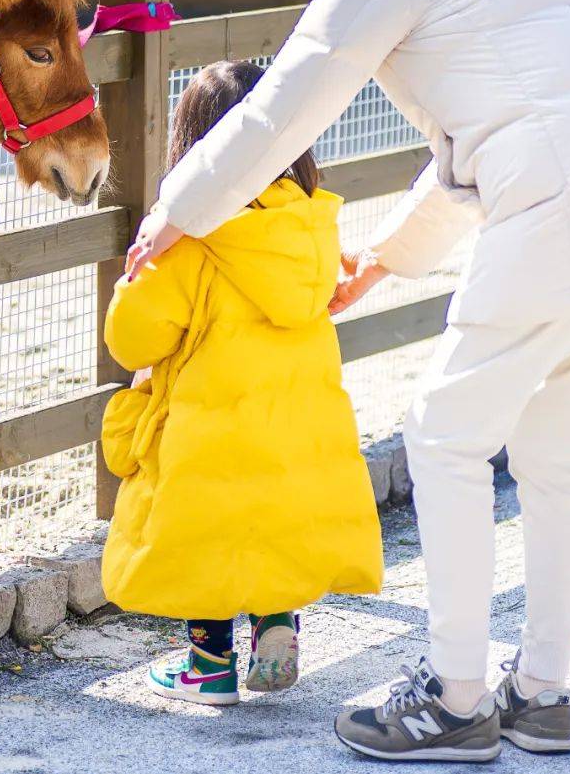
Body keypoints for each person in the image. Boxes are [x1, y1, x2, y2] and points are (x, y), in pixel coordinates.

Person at [128, 0, 570, 760]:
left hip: (554, 200)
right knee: (555, 450)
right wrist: (381, 257)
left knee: (444, 433)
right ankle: (541, 691)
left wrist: (176, 203)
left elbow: (285, 104)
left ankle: (457, 698)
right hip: (557, 189)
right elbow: (483, 140)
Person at [101, 59, 382, 707]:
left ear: (194, 145)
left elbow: (135, 337)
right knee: (271, 519)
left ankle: (209, 663)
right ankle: (277, 625)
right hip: (295, 422)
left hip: (211, 424)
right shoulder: (311, 224)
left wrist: (131, 284)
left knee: (207, 530)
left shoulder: (193, 238)